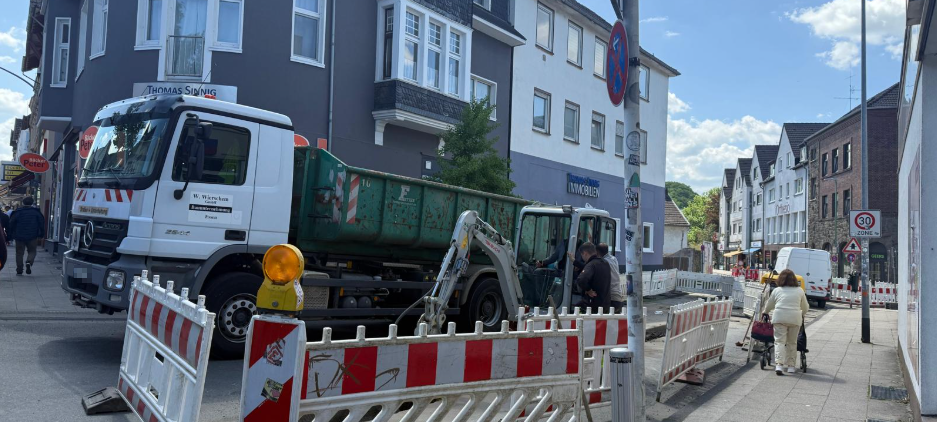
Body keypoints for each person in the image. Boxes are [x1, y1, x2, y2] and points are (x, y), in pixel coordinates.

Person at [762, 269, 809, 375]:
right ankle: (791, 366)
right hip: (794, 319)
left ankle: (779, 365)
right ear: (794, 279)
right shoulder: (800, 291)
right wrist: (802, 313)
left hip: (780, 318)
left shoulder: (777, 290)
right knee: (792, 342)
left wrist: (765, 312)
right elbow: (805, 307)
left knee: (779, 341)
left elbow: (770, 304)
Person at [9, 197, 45, 276]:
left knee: (19, 253)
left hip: (19, 236)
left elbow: (11, 223)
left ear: (23, 203)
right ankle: (29, 261)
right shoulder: (36, 212)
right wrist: (42, 234)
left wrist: (10, 235)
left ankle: (19, 270)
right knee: (32, 251)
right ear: (32, 203)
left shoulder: (17, 212)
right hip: (32, 236)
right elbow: (42, 223)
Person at [574, 242, 611, 312]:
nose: (582, 257)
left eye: (582, 255)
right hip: (605, 304)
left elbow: (581, 279)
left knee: (577, 310)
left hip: (592, 304)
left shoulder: (591, 264)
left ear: (585, 253)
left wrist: (588, 289)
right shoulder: (606, 263)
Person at [597, 243, 624, 309]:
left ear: (597, 252)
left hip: (610, 297)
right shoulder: (613, 259)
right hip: (617, 294)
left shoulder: (603, 262)